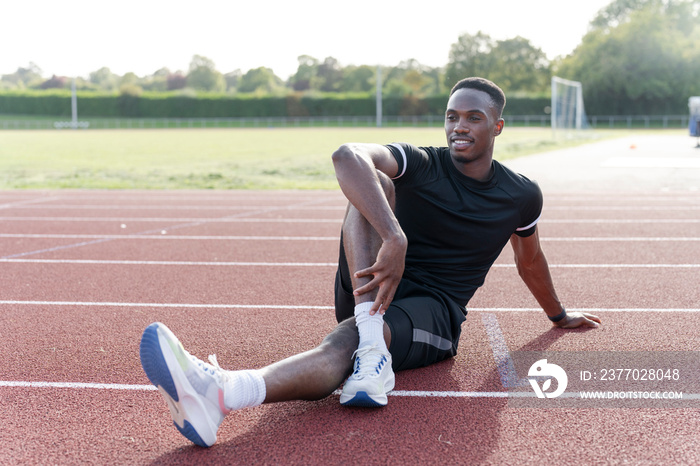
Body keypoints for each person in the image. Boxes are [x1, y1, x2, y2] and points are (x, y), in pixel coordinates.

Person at [139, 77, 602, 448]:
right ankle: (371, 345)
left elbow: (531, 261)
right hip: (374, 284)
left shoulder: (520, 194)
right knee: (373, 179)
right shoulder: (424, 162)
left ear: (497, 127)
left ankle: (221, 393)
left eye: (473, 118)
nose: (459, 126)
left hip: (433, 314)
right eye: (451, 116)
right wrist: (393, 235)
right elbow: (347, 155)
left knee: (344, 345)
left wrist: (559, 316)